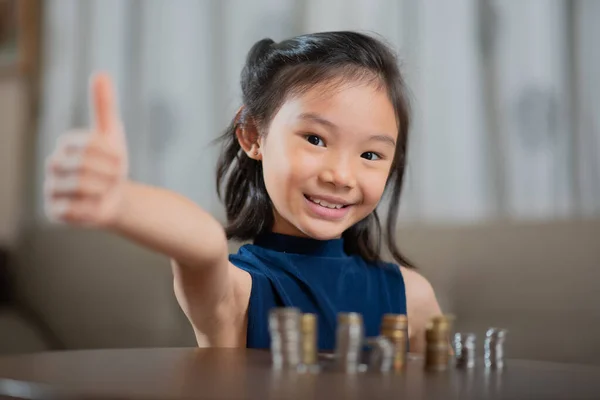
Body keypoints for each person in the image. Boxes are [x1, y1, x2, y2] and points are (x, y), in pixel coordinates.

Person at [44, 31, 442, 352]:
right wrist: (119, 201)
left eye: (370, 154)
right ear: (253, 135)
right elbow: (202, 244)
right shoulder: (238, 291)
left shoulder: (412, 297)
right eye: (316, 139)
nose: (341, 175)